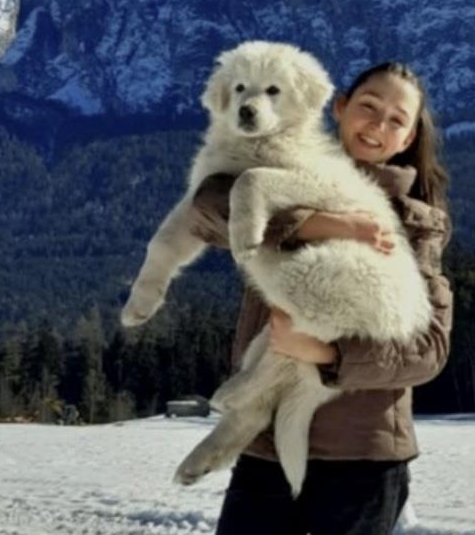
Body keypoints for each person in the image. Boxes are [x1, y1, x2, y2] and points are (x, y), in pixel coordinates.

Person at [187, 60, 453, 535]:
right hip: (266, 453)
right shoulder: (284, 170)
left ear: (408, 139)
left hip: (362, 463)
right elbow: (206, 208)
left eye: (397, 120)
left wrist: (328, 354)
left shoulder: (418, 224)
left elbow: (427, 352)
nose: (378, 125)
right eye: (369, 107)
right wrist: (322, 224)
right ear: (340, 108)